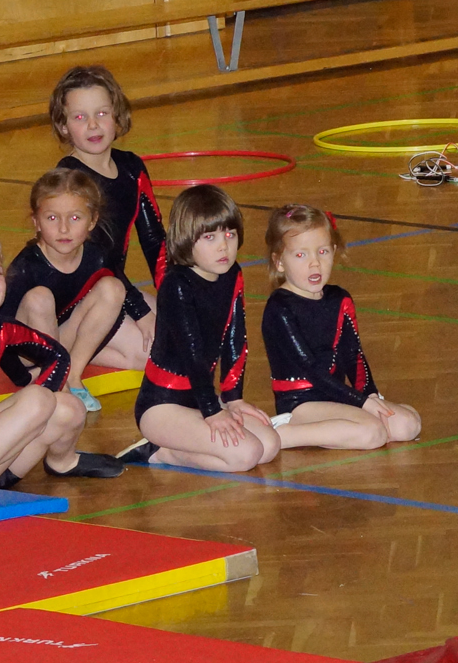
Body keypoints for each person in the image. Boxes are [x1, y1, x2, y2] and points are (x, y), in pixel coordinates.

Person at [0, 227, 125, 484]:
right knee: (35, 401)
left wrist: (34, 397)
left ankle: (62, 462)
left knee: (68, 408)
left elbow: (58, 356)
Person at [127, 184, 278, 473]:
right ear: (186, 240)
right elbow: (192, 355)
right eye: (210, 237)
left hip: (198, 399)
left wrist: (233, 399)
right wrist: (212, 410)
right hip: (162, 406)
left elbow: (235, 337)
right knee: (246, 455)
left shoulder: (232, 274)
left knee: (269, 445)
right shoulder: (177, 286)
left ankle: (181, 439)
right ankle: (160, 452)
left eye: (230, 234)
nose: (224, 246)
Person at [262, 204, 422, 452]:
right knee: (372, 432)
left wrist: (370, 395)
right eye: (301, 255)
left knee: (407, 424)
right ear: (279, 261)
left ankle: (345, 426)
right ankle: (281, 434)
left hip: (337, 395)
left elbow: (353, 355)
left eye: (322, 252)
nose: (315, 264)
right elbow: (312, 371)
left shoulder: (339, 299)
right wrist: (360, 402)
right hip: (301, 403)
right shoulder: (279, 308)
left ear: (334, 251)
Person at [48, 65, 162, 408]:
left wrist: (176, 296)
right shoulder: (68, 181)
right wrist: (141, 312)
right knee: (151, 355)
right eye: (80, 117)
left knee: (183, 334)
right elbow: (96, 264)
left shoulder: (132, 167)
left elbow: (155, 241)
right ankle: (60, 352)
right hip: (75, 299)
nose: (93, 126)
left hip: (112, 289)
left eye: (101, 113)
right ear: (63, 125)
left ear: (117, 115)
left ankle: (79, 346)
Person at [3, 168, 149, 393]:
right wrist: (20, 377)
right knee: (39, 298)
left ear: (92, 221)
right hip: (29, 351)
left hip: (64, 335)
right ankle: (54, 375)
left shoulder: (96, 254)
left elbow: (125, 286)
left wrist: (144, 316)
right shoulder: (26, 266)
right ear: (36, 222)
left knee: (113, 287)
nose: (63, 229)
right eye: (52, 218)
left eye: (75, 218)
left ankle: (72, 372)